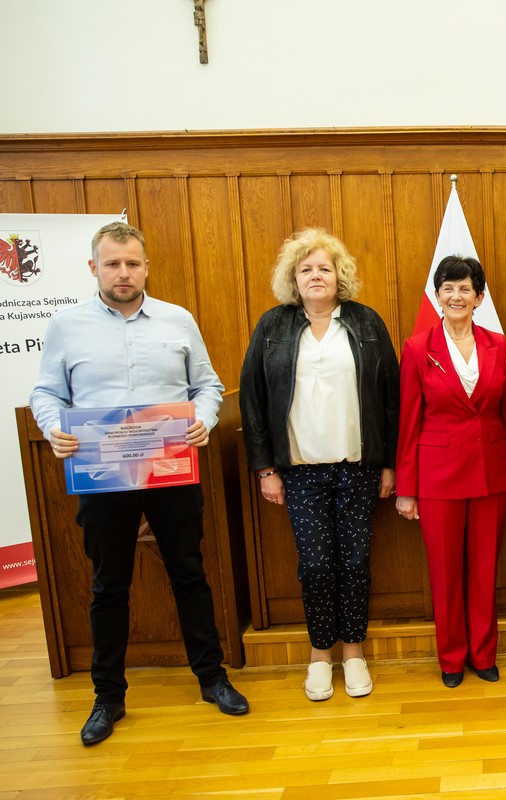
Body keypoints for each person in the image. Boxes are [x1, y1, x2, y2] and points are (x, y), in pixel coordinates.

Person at [30, 221, 249, 746]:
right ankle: (107, 697)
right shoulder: (66, 325)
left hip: (170, 468)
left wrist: (204, 419)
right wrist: (55, 428)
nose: (123, 272)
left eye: (132, 263)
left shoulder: (178, 319)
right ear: (94, 268)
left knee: (189, 573)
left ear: (146, 267)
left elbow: (207, 385)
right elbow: (47, 393)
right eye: (112, 263)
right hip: (102, 474)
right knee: (109, 584)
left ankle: (212, 679)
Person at [239, 228, 399, 703]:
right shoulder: (273, 326)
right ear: (293, 278)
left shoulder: (366, 322)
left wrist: (390, 464)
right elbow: (252, 399)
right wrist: (265, 469)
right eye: (305, 269)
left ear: (339, 275)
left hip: (358, 468)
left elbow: (391, 399)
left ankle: (354, 653)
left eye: (324, 268)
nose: (315, 276)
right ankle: (319, 656)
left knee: (355, 563)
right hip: (300, 472)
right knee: (315, 567)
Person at [396, 255, 506, 688]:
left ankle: (484, 654)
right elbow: (409, 421)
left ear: (479, 297)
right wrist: (406, 488)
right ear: (437, 296)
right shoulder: (418, 348)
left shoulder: (498, 344)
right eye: (448, 288)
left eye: (465, 288)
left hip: (492, 473)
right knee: (445, 573)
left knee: (485, 569)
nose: (456, 296)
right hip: (437, 478)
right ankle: (451, 659)